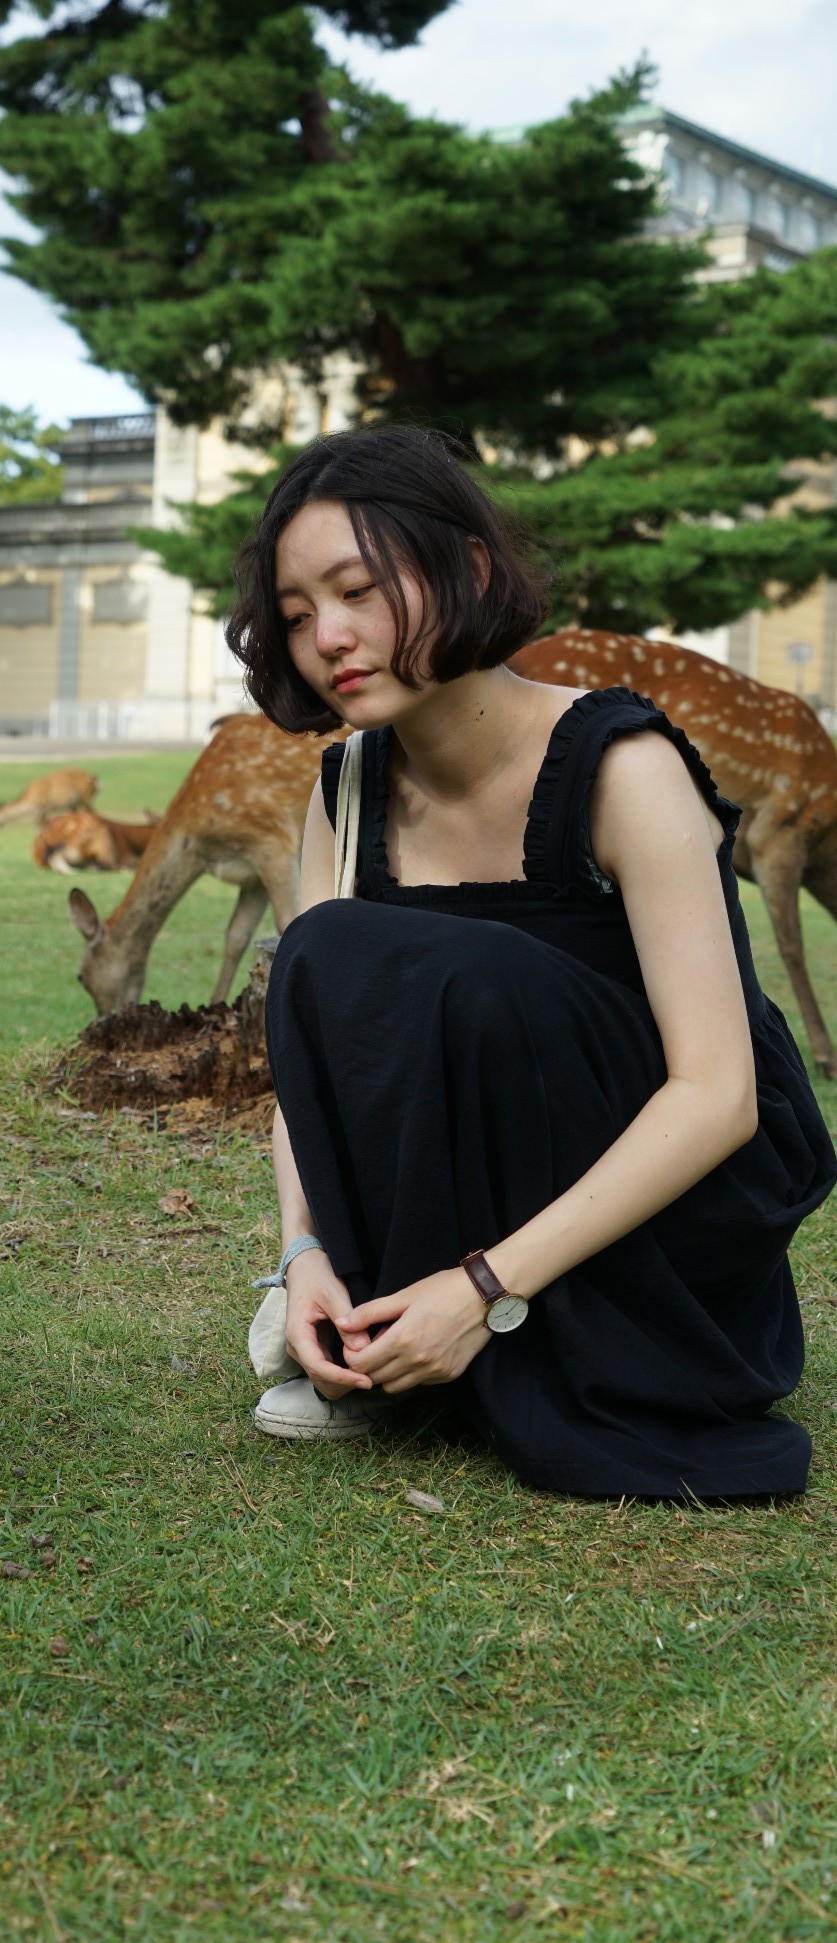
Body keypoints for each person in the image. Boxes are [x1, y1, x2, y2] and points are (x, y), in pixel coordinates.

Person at [227, 426, 835, 1501]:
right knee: (323, 956)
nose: (327, 633)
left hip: (670, 1237)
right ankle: (371, 1308)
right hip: (477, 1186)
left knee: (474, 971)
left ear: (465, 567)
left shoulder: (623, 765)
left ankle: (487, 1333)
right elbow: (314, 1049)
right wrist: (302, 1251)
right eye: (294, 614)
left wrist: (483, 1289)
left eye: (358, 589)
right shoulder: (350, 787)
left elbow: (721, 1095)